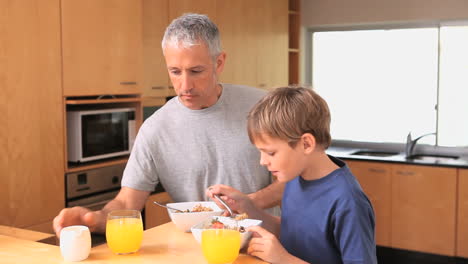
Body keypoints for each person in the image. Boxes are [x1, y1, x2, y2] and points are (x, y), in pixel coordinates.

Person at [53, 13, 284, 236]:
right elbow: (127, 202)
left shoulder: (262, 107)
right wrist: (93, 220)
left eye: (196, 71)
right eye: (175, 72)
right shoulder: (155, 129)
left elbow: (294, 179)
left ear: (219, 62)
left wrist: (249, 203)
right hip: (195, 250)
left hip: (264, 244)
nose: (185, 85)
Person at [207, 87, 377, 264]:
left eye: (271, 153)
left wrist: (284, 260)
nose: (262, 162)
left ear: (306, 144)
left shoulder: (348, 202)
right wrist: (247, 207)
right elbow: (293, 234)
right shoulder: (295, 178)